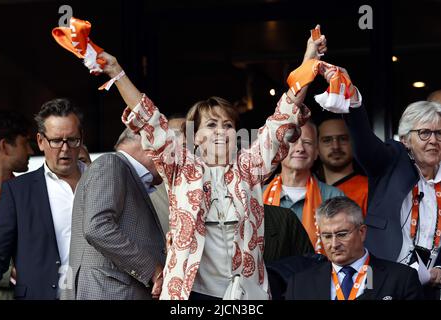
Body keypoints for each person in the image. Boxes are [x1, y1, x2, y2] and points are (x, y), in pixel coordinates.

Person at [96, 27, 326, 300]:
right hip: (191, 293)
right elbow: (149, 119)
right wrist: (117, 72)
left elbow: (283, 118)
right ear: (196, 136)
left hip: (245, 294)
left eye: (228, 125)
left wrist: (308, 61)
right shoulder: (181, 168)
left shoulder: (249, 167)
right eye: (211, 125)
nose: (220, 131)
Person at [319, 65, 441, 298]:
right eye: (424, 133)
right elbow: (365, 144)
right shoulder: (391, 160)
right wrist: (353, 102)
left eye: (440, 134)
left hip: (433, 287)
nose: (433, 140)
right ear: (405, 139)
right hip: (386, 277)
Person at [0, 98, 86, 299]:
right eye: (56, 141)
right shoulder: (18, 192)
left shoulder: (103, 183)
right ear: (41, 141)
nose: (65, 148)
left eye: (72, 140)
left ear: (81, 138)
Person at [62, 128, 166, 300]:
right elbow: (97, 228)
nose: (171, 159)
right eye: (167, 148)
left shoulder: (122, 170)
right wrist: (152, 269)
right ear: (147, 142)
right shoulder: (111, 163)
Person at [286, 196, 423, 300]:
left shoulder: (401, 278)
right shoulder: (299, 284)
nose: (334, 244)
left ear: (362, 232)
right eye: (327, 236)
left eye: (342, 234)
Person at [263, 120, 344, 253]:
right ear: (278, 149)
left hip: (318, 272)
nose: (300, 148)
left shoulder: (335, 198)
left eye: (307, 142)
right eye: (292, 141)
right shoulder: (258, 195)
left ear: (317, 151)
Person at [0, 111, 34, 300]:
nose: (32, 151)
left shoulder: (26, 194)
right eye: (25, 143)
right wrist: (13, 273)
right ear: (5, 146)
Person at [316, 117, 368, 214]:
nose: (336, 146)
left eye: (343, 139)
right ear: (316, 148)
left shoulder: (368, 189)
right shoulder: (310, 189)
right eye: (327, 140)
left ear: (353, 143)